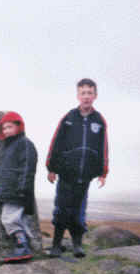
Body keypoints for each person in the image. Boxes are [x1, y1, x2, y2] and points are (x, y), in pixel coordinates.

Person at [46, 78, 109, 257]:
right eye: (83, 93)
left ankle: (77, 245)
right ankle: (56, 244)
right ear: (77, 95)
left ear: (95, 96)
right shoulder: (68, 118)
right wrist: (51, 168)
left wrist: (103, 172)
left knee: (78, 210)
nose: (86, 96)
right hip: (66, 174)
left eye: (90, 93)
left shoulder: (99, 120)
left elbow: (104, 147)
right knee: (61, 208)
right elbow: (56, 142)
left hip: (85, 175)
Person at [0, 111, 38, 262]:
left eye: (9, 127)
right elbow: (2, 171)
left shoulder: (25, 144)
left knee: (9, 219)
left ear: (19, 127)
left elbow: (27, 168)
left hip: (17, 191)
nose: (6, 131)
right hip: (9, 190)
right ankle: (25, 249)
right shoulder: (9, 147)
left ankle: (22, 248)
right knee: (18, 220)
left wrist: (22, 189)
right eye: (4, 128)